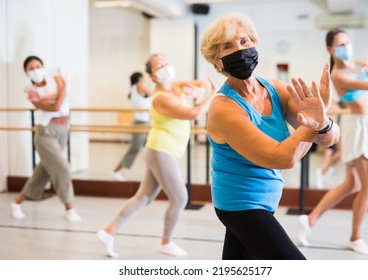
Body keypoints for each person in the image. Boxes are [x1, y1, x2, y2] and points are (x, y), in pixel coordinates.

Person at [200, 13, 339, 260]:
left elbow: (330, 138)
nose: (240, 49)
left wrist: (324, 122)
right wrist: (315, 123)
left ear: (254, 43)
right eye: (228, 46)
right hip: (240, 204)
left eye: (244, 41)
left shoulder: (276, 89)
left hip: (267, 200)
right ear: (218, 61)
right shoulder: (223, 108)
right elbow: (282, 158)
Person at [96, 53, 217, 258]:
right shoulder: (161, 98)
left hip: (161, 150)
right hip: (161, 151)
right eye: (159, 66)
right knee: (180, 198)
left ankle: (109, 231)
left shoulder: (176, 87)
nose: (166, 67)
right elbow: (194, 114)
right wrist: (212, 94)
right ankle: (166, 242)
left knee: (143, 197)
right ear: (152, 76)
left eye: (167, 63)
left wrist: (201, 89)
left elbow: (201, 82)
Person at [298, 28, 368, 255]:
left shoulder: (356, 66)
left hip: (367, 125)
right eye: (340, 44)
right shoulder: (338, 75)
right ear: (330, 49)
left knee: (353, 184)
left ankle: (310, 219)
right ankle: (355, 237)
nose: (345, 46)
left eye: (347, 42)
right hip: (358, 126)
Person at [11, 55, 81, 221]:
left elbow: (58, 100)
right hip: (46, 133)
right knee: (62, 167)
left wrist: (58, 89)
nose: (36, 70)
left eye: (38, 66)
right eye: (31, 68)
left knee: (42, 172)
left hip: (63, 129)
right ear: (26, 72)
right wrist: (64, 86)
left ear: (43, 66)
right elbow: (56, 106)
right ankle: (69, 208)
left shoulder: (55, 79)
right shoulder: (32, 93)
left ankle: (17, 203)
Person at [111, 72, 152, 181]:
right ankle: (116, 170)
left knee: (151, 148)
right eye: (143, 78)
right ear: (139, 79)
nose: (144, 80)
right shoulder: (138, 86)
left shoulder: (134, 88)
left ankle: (153, 173)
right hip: (140, 123)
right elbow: (153, 93)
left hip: (146, 123)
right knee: (135, 148)